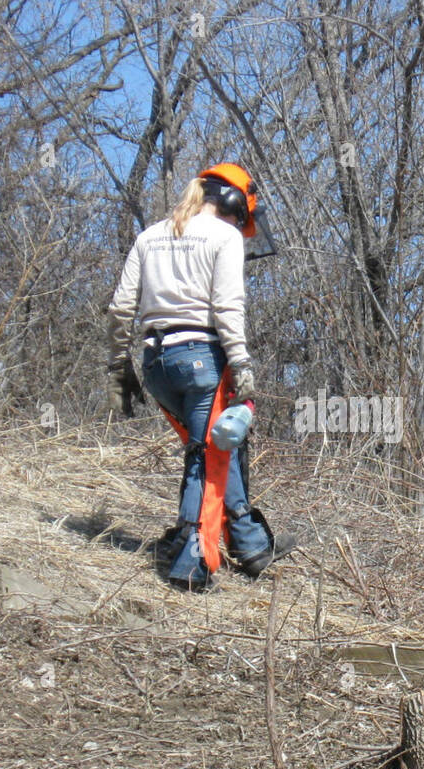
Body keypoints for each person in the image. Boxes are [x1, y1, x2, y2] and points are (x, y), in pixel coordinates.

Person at [106, 162, 294, 591]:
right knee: (207, 458)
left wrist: (119, 366)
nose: (238, 226)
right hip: (202, 360)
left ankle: (249, 545)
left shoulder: (150, 235)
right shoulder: (224, 236)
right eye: (240, 216)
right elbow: (228, 307)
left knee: (215, 446)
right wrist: (242, 364)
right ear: (230, 201)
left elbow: (120, 309)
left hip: (156, 364)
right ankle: (191, 561)